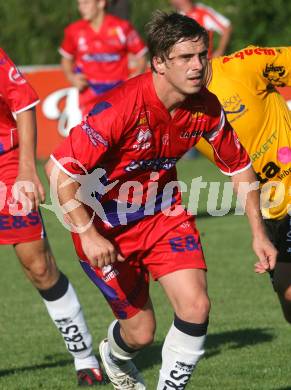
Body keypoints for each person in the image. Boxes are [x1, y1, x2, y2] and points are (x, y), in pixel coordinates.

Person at [46, 12, 277, 390]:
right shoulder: (120, 107)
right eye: (185, 58)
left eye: (202, 55)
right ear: (158, 62)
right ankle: (114, 356)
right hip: (104, 227)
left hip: (163, 215)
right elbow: (59, 174)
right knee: (139, 334)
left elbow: (239, 167)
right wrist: (87, 234)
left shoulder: (206, 107)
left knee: (197, 307)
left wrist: (259, 233)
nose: (198, 66)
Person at [0, 48, 105, 386]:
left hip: (7, 165)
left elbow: (23, 102)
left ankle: (84, 356)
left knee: (39, 267)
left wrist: (27, 168)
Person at [195, 45, 291, 325]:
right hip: (268, 209)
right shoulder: (178, 107)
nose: (191, 66)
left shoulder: (244, 65)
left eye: (194, 54)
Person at [59, 0, 147, 117]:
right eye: (79, 4)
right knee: (91, 133)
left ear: (101, 3)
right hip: (89, 96)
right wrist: (71, 77)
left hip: (118, 95)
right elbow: (66, 58)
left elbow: (142, 55)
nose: (81, 8)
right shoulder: (74, 30)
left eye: (85, 3)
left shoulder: (122, 27)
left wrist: (135, 78)